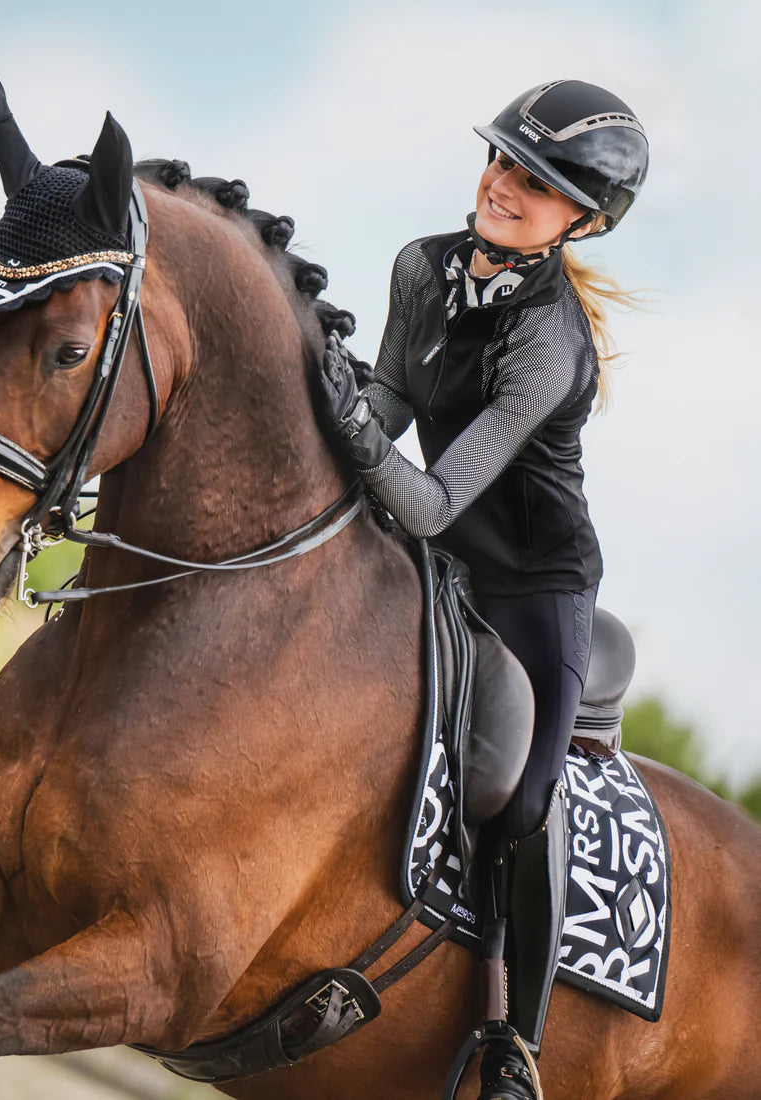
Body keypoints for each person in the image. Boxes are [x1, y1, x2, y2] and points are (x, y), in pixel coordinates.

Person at [319, 80, 648, 1100]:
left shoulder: (548, 343)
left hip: (531, 585)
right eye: (503, 160)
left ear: (579, 220)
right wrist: (324, 391)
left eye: (536, 182)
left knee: (521, 798)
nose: (503, 184)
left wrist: (349, 419)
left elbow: (419, 497)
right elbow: (384, 404)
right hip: (437, 552)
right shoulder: (420, 264)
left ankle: (514, 1040)